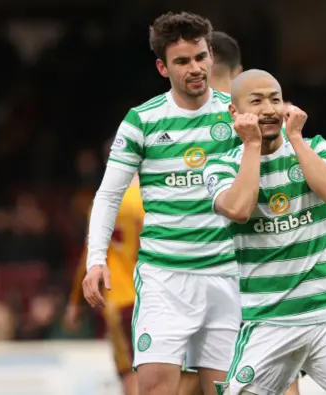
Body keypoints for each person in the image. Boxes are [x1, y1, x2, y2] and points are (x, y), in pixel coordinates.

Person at [81, 12, 242, 395]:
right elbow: (108, 194)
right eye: (182, 61)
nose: (196, 68)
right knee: (154, 386)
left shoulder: (235, 116)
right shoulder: (143, 121)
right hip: (164, 279)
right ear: (162, 67)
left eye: (201, 57)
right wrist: (95, 260)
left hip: (225, 276)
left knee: (227, 390)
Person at [204, 69, 326, 395]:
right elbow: (240, 208)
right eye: (257, 101)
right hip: (268, 320)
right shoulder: (221, 165)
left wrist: (296, 139)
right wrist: (251, 144)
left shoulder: (314, 146)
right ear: (235, 113)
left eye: (275, 99)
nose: (269, 109)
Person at [178, 30, 243, 395]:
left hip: (189, 274)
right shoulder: (261, 126)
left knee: (191, 380)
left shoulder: (172, 125)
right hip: (248, 276)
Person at [65, 163, 144, 395]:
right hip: (158, 298)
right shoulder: (159, 199)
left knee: (131, 374)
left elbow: (90, 259)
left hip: (122, 300)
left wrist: (76, 302)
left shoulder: (106, 201)